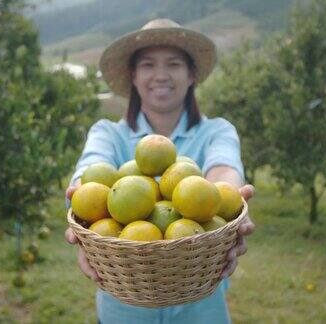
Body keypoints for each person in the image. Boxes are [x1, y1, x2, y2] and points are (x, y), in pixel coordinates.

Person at [64, 18, 255, 324]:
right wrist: (82, 213)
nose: (161, 75)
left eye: (174, 64)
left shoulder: (217, 131)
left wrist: (227, 208)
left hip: (201, 311)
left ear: (191, 74)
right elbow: (89, 173)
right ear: (134, 75)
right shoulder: (108, 133)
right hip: (122, 312)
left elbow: (223, 172)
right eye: (149, 64)